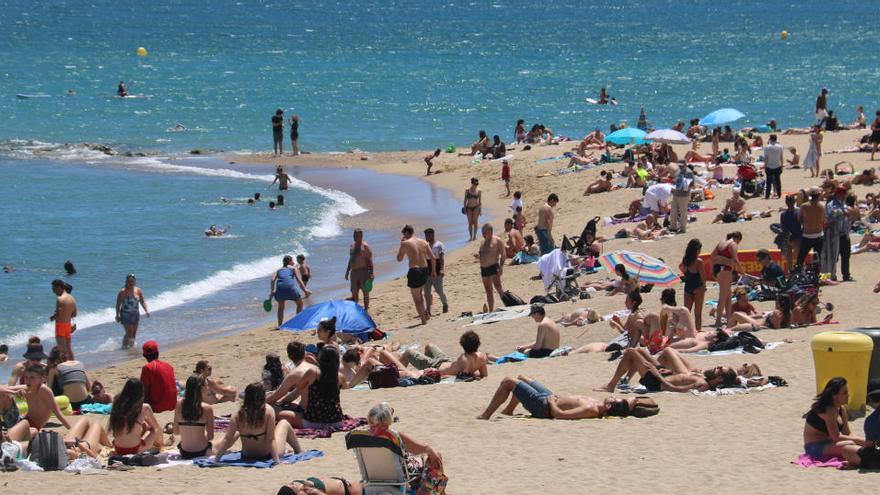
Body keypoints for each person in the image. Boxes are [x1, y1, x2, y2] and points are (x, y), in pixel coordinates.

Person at [478, 374, 655, 420]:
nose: (613, 397)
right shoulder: (600, 404)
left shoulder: (591, 409)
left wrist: (551, 402)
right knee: (523, 378)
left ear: (610, 407)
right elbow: (646, 402)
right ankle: (509, 410)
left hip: (545, 407)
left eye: (614, 399)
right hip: (552, 397)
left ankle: (486, 414)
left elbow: (559, 415)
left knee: (508, 381)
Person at [214, 383, 302, 463]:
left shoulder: (238, 414)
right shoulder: (268, 411)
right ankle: (299, 451)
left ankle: (288, 450)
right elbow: (270, 439)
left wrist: (217, 459)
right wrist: (277, 460)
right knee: (284, 423)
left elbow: (227, 438)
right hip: (266, 455)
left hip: (247, 455)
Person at [595, 347, 737, 393]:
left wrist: (657, 375)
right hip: (664, 375)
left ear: (720, 379)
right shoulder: (703, 379)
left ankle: (611, 386)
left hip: (656, 382)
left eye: (720, 369)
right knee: (640, 350)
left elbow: (675, 389)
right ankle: (623, 380)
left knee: (631, 352)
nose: (717, 367)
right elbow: (680, 380)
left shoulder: (703, 385)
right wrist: (669, 372)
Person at [803, 377, 873, 466]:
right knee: (850, 444)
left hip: (830, 443)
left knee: (858, 444)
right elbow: (835, 437)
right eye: (844, 393)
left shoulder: (841, 408)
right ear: (834, 395)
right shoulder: (829, 410)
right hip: (814, 447)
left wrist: (865, 442)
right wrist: (862, 441)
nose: (848, 395)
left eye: (847, 392)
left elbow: (847, 432)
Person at [1, 365, 72, 441]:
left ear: (42, 379)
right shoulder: (26, 388)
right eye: (26, 377)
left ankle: (9, 438)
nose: (28, 380)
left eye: (32, 378)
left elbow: (58, 413)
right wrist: (14, 393)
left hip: (32, 428)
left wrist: (72, 431)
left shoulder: (43, 390)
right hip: (20, 422)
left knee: (34, 432)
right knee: (4, 396)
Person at [283, 347, 346, 429]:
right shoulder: (340, 377)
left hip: (313, 421)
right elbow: (345, 386)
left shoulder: (313, 373)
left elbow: (297, 389)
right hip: (337, 421)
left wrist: (281, 403)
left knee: (280, 414)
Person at [400, 331, 488, 379]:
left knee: (408, 352)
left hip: (435, 366)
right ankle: (422, 367)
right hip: (445, 360)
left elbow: (462, 377)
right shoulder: (482, 357)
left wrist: (442, 375)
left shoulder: (464, 358)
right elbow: (484, 375)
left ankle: (396, 375)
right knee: (429, 346)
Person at [397, 225, 434, 325]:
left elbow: (399, 259)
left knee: (416, 298)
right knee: (420, 293)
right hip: (425, 270)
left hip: (415, 270)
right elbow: (432, 257)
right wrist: (433, 271)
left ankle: (423, 319)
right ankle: (425, 312)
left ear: (407, 233)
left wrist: (401, 244)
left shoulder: (405, 243)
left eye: (404, 234)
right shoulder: (423, 242)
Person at [173, 375, 215, 459]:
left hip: (184, 452)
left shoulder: (178, 405)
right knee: (234, 435)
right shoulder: (207, 408)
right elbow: (210, 437)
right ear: (201, 388)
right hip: (202, 451)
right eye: (206, 385)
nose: (208, 387)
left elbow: (176, 432)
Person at [709, 231, 743, 328]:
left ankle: (729, 318)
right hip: (725, 270)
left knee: (728, 294)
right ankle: (718, 321)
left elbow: (712, 257)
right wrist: (741, 270)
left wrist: (712, 270)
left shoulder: (721, 243)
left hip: (717, 269)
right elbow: (735, 259)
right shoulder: (733, 244)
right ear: (738, 239)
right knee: (723, 295)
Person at [45, 347, 91, 411]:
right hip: (86, 402)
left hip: (69, 405)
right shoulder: (80, 363)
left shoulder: (54, 369)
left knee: (55, 382)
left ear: (54, 359)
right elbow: (89, 388)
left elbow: (49, 391)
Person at [270, 255, 311, 327]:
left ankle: (280, 325)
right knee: (300, 304)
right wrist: (305, 290)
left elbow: (273, 279)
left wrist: (272, 290)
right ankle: (297, 322)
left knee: (281, 308)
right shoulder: (293, 268)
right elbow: (299, 280)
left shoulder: (278, 270)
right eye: (292, 260)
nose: (293, 262)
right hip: (290, 288)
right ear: (289, 261)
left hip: (280, 289)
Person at [139, 340, 177, 414]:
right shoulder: (168, 366)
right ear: (158, 353)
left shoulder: (147, 368)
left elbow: (143, 392)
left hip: (157, 406)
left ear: (144, 356)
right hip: (172, 404)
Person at [822, 186, 850, 281]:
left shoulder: (844, 203)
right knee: (833, 256)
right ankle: (831, 275)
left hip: (844, 234)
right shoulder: (831, 204)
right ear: (839, 194)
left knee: (846, 256)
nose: (845, 195)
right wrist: (842, 213)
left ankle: (846, 275)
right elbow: (830, 217)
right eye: (844, 193)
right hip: (834, 234)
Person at [115, 274, 149, 350]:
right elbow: (118, 304)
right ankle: (124, 347)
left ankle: (131, 347)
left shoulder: (138, 290)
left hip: (135, 314)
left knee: (134, 332)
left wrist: (146, 310)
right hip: (125, 314)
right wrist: (117, 315)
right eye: (129, 281)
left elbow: (142, 301)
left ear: (135, 281)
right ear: (126, 282)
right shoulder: (123, 291)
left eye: (132, 281)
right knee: (129, 332)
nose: (131, 283)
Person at [478, 223, 505, 312]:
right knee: (488, 290)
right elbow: (482, 254)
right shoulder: (483, 242)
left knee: (498, 287)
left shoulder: (497, 240)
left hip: (493, 267)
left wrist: (501, 266)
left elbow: (503, 254)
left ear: (489, 231)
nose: (482, 233)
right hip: (484, 269)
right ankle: (491, 310)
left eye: (484, 231)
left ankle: (507, 305)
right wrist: (478, 256)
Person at [679, 239, 706, 330]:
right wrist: (704, 287)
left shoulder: (685, 260)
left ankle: (684, 331)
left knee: (686, 312)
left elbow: (682, 269)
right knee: (698, 314)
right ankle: (698, 331)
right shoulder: (698, 261)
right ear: (697, 250)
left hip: (687, 288)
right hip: (698, 287)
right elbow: (703, 277)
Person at [345, 229, 374, 310]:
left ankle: (366, 309)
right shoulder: (352, 246)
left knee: (365, 292)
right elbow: (350, 259)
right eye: (354, 235)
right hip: (354, 272)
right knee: (354, 293)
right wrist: (347, 271)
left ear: (361, 236)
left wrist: (371, 273)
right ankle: (356, 310)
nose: (355, 237)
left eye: (357, 235)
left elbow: (370, 261)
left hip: (363, 271)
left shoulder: (365, 246)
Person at [797, 188, 825, 269]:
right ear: (818, 196)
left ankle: (798, 272)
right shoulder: (822, 207)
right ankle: (816, 274)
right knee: (817, 257)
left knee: (801, 258)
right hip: (819, 235)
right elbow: (823, 220)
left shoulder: (804, 206)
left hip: (807, 235)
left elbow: (799, 219)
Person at [50, 279, 77, 360]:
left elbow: (58, 315)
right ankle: (73, 364)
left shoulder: (60, 299)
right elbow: (74, 314)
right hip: (68, 325)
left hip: (60, 325)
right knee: (69, 348)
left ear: (59, 287)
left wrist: (53, 317)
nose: (53, 291)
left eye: (54, 289)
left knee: (62, 349)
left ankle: (66, 366)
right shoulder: (72, 298)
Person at [423, 228, 448, 315]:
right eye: (425, 235)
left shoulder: (439, 245)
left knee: (439, 291)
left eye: (427, 235)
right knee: (426, 292)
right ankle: (428, 310)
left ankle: (445, 304)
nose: (426, 237)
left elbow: (441, 258)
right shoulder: (425, 245)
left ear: (432, 235)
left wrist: (442, 269)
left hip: (437, 269)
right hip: (427, 270)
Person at [669, 163, 693, 234]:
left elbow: (691, 184)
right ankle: (673, 227)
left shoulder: (689, 173)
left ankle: (682, 228)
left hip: (684, 195)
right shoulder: (678, 172)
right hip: (676, 194)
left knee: (683, 212)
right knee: (673, 210)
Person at [763, 134, 783, 199]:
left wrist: (764, 166)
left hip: (769, 166)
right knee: (778, 181)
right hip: (778, 165)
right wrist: (782, 166)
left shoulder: (767, 147)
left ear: (770, 139)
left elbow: (766, 158)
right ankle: (779, 194)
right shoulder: (780, 147)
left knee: (768, 181)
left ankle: (767, 195)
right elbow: (781, 157)